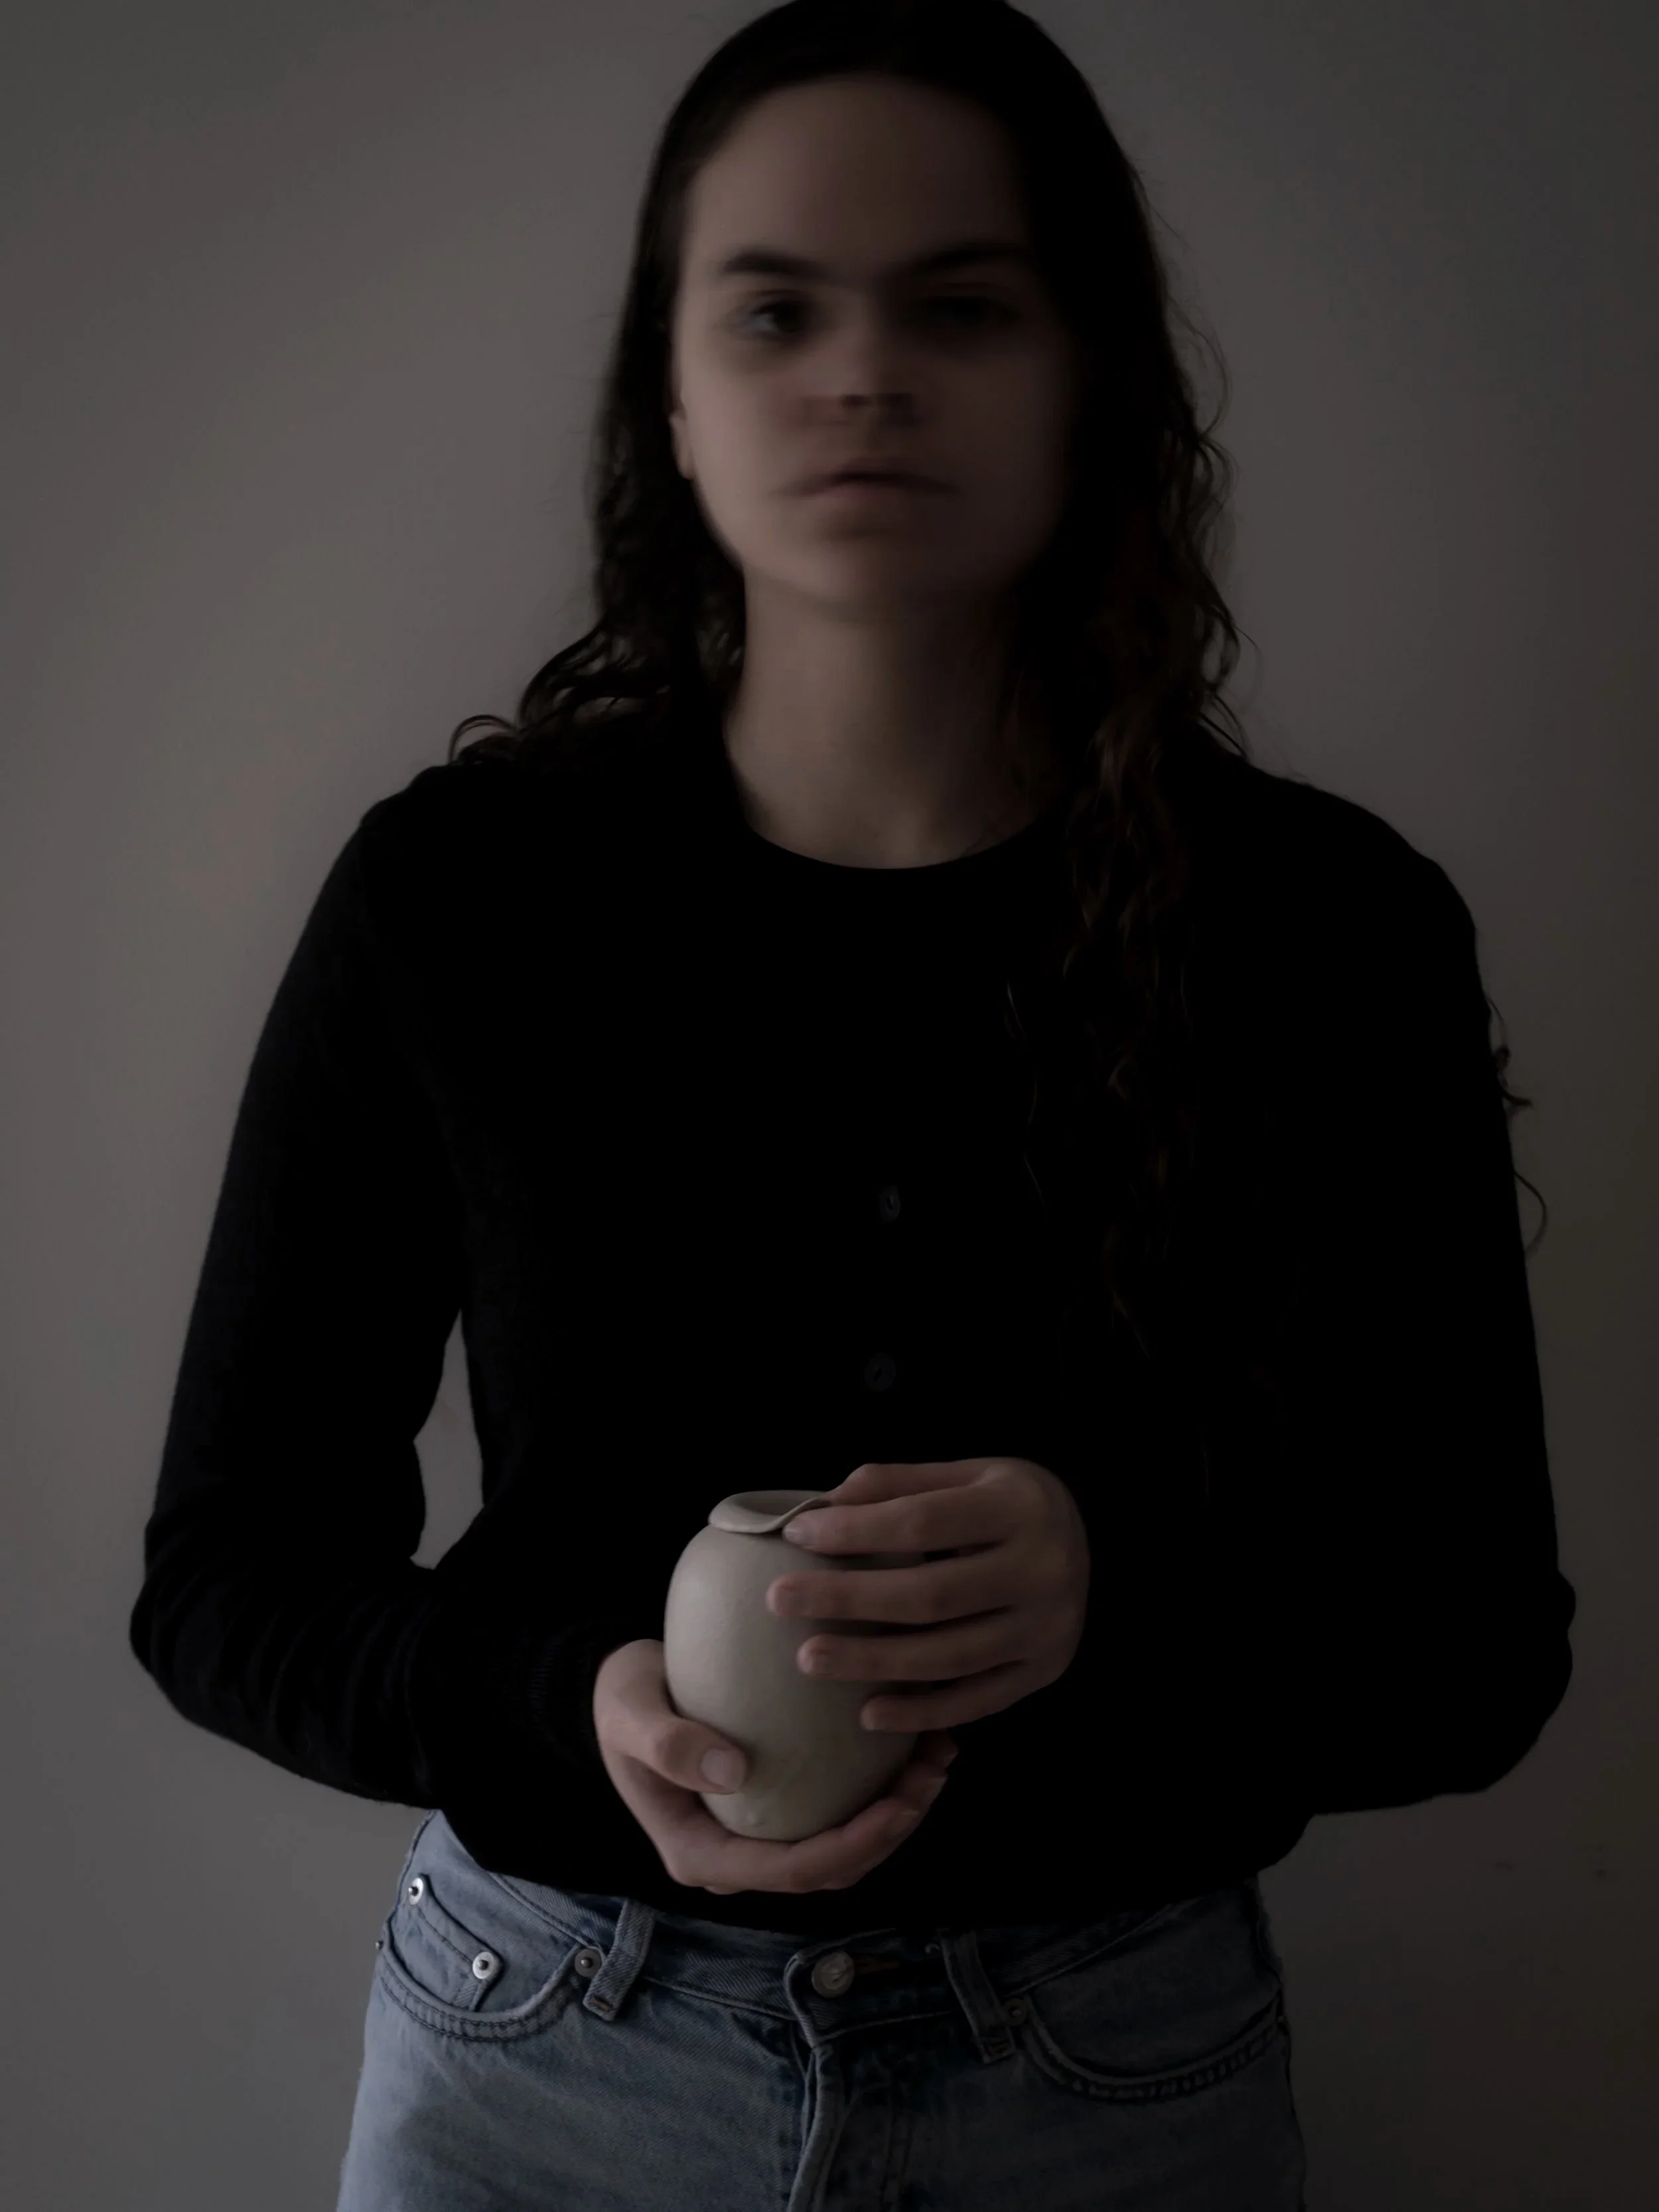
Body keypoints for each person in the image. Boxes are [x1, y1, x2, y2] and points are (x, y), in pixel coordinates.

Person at [128, 5, 1575, 2207]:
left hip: (1117, 2079)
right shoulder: (459, 899)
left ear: (1087, 379)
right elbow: (229, 1576)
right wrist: (561, 1702)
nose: (864, 374)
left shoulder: (1329, 929)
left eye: (962, 306)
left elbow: (1471, 1648)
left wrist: (1115, 1604)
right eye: (777, 307)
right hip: (542, 2065)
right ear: (674, 405)